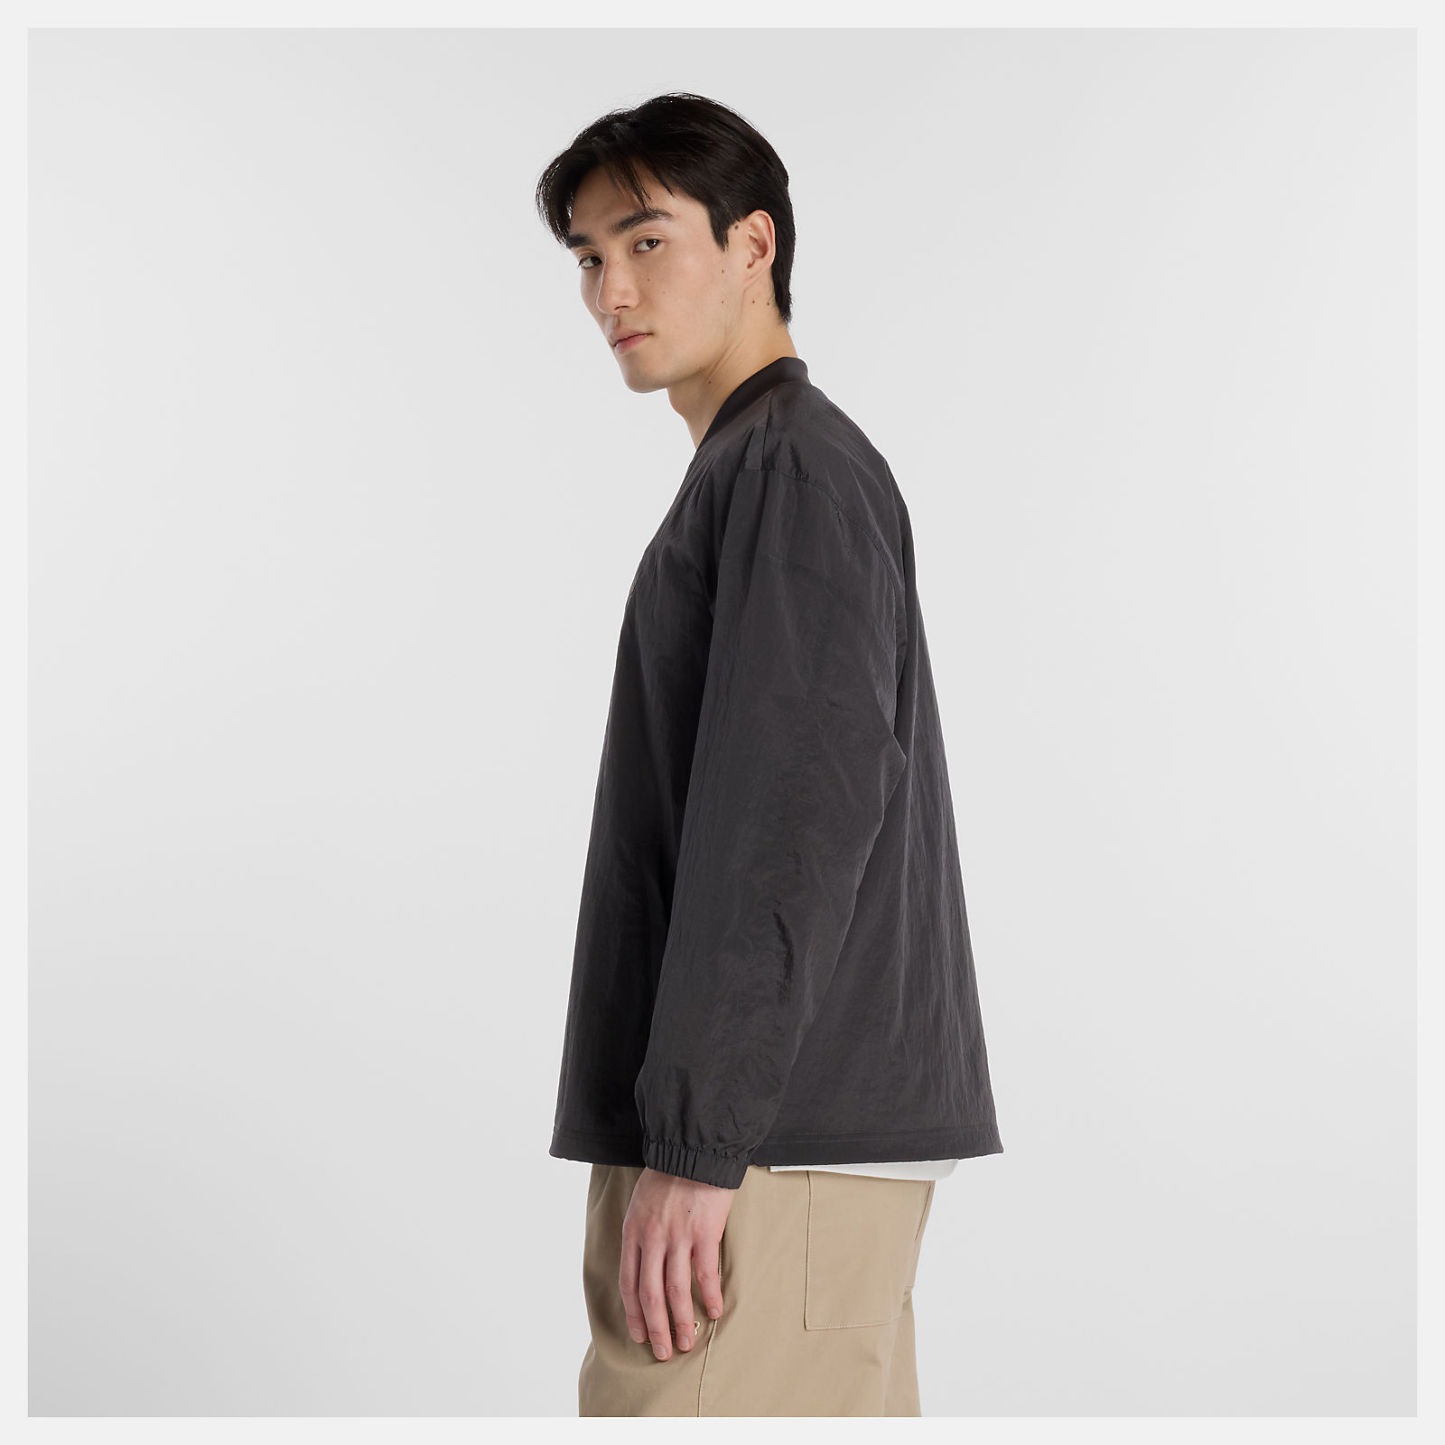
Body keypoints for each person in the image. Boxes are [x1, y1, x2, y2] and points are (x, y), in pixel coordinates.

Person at [534, 92, 1004, 1417]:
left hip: (763, 1150)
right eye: (587, 257)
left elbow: (790, 821)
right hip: (776, 1144)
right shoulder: (759, 465)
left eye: (646, 241)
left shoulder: (787, 471)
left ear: (753, 244)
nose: (611, 290)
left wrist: (699, 1141)